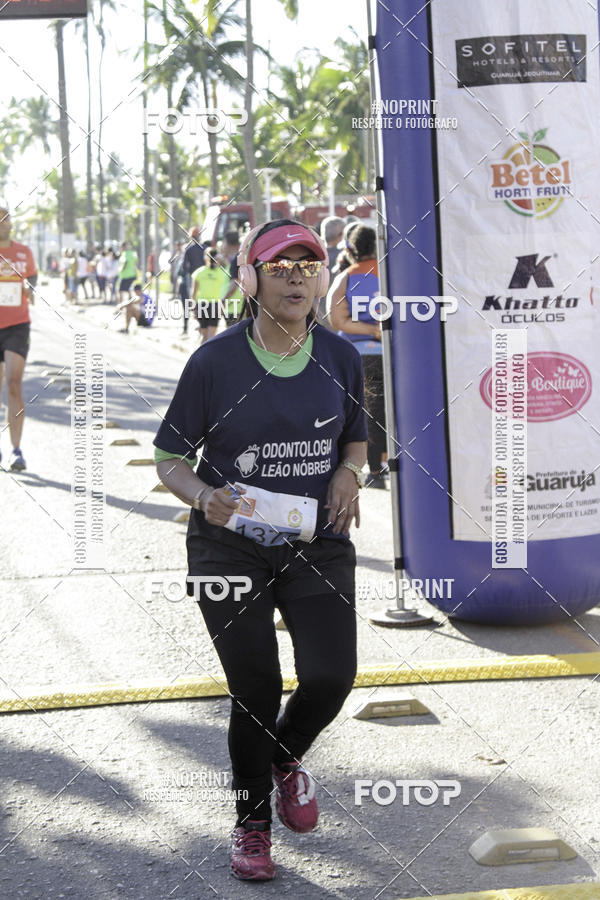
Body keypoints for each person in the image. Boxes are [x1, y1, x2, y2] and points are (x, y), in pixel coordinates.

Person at [153, 218, 367, 881]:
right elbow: (168, 459)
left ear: (323, 276)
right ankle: (252, 825)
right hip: (229, 548)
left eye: (309, 265)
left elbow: (356, 438)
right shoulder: (214, 362)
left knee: (331, 677)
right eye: (280, 266)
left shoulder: (340, 358)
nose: (297, 276)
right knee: (257, 687)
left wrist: (349, 471)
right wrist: (202, 497)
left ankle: (285, 754)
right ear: (250, 280)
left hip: (316, 540)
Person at [327, 223, 388, 488]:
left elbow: (336, 319)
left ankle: (374, 471)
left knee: (367, 414)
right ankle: (390, 464)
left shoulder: (347, 277)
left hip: (358, 357)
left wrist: (369, 330)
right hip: (393, 355)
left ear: (351, 249)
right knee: (391, 411)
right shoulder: (392, 274)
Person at [0, 206, 37, 471]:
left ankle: (16, 450)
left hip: (17, 325)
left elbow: (33, 279)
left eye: (5, 217)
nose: (3, 222)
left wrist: (30, 288)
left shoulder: (24, 252)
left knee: (13, 384)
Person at [192, 247, 230, 344]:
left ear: (205, 258)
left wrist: (193, 309)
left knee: (206, 336)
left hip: (210, 305)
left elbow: (193, 293)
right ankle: (202, 357)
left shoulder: (200, 272)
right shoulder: (200, 272)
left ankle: (202, 357)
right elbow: (194, 293)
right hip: (208, 305)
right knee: (208, 336)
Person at [220, 230, 245, 327]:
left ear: (229, 243)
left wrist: (223, 301)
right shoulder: (243, 257)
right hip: (241, 307)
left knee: (233, 340)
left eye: (224, 242)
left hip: (234, 307)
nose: (223, 245)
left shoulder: (236, 260)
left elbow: (235, 283)